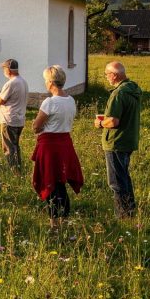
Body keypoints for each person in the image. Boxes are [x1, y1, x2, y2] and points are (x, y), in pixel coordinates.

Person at [31, 65, 83, 226]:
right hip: (65, 143)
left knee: (51, 182)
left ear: (51, 82)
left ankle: (54, 222)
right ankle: (64, 219)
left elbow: (36, 126)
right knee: (61, 182)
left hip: (50, 146)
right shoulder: (70, 100)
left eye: (46, 80)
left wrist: (38, 126)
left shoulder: (50, 102)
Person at [95, 61, 142, 218]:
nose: (106, 77)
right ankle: (130, 210)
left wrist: (100, 123)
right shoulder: (132, 89)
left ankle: (123, 215)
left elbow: (113, 121)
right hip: (128, 139)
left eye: (107, 74)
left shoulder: (118, 94)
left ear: (114, 75)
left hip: (116, 142)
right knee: (124, 178)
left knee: (116, 182)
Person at [0, 58, 28, 172]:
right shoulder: (23, 81)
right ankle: (18, 168)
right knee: (15, 145)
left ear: (8, 70)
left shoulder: (10, 83)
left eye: (4, 68)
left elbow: (0, 100)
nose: (3, 71)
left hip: (9, 119)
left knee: (9, 147)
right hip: (20, 119)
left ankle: (14, 172)